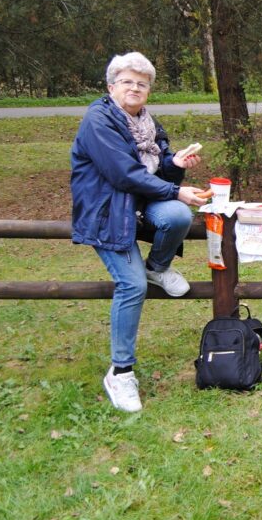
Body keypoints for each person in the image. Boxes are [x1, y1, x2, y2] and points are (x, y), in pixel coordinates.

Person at [71, 51, 208, 412]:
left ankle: (157, 268)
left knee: (178, 215)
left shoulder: (147, 123)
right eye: (128, 82)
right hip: (107, 212)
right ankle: (120, 372)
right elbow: (123, 175)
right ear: (111, 86)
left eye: (142, 84)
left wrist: (174, 165)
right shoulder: (99, 120)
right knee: (131, 286)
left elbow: (154, 177)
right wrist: (177, 188)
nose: (135, 88)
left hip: (138, 205)